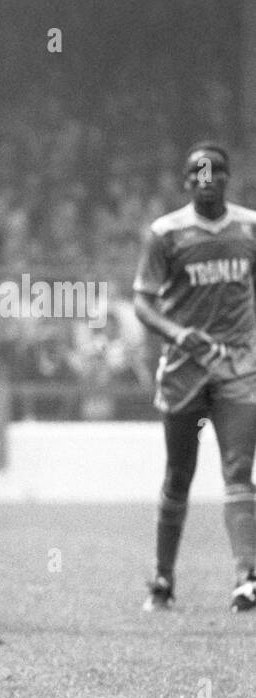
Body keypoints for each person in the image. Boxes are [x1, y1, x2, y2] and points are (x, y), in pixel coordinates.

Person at [134, 142, 256, 612]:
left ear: (228, 178)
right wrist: (176, 333)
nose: (206, 179)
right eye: (197, 174)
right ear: (186, 182)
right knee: (179, 474)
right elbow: (143, 302)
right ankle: (163, 581)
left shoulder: (249, 228)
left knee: (239, 468)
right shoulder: (165, 234)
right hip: (184, 369)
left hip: (238, 366)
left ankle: (247, 578)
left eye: (215, 172)